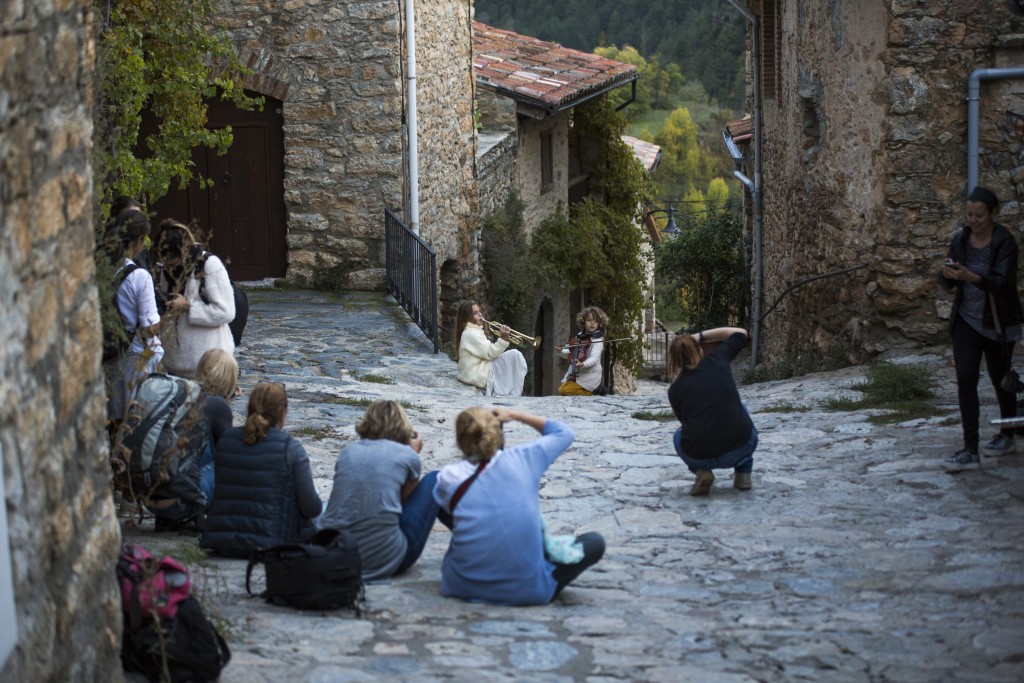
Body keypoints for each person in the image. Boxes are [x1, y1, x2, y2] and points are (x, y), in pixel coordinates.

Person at [433, 407, 605, 606]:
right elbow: (564, 433)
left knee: (440, 494)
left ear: (459, 441)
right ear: (499, 434)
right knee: (594, 541)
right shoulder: (523, 458)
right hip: (528, 591)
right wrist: (517, 415)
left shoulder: (448, 477)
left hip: (461, 585)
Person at [939, 186, 1023, 472]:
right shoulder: (961, 239)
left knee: (1001, 379)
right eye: (969, 214)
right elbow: (948, 283)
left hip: (997, 322)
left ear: (992, 214)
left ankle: (1008, 434)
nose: (974, 220)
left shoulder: (1004, 242)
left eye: (979, 215)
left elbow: (1001, 284)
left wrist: (971, 276)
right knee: (965, 379)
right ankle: (970, 448)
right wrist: (948, 274)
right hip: (966, 320)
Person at [320, 400, 443, 580]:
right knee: (435, 479)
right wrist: (413, 453)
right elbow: (403, 505)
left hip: (337, 555)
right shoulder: (407, 455)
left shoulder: (348, 451)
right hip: (387, 558)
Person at [200, 382, 322, 557]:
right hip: (273, 543)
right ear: (282, 414)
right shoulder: (291, 448)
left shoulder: (227, 439)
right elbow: (311, 508)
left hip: (222, 540)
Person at [147, 348, 239, 533]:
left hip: (150, 500)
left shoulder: (184, 394)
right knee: (232, 464)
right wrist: (226, 405)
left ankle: (174, 517)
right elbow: (232, 454)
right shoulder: (218, 404)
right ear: (229, 381)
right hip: (180, 504)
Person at [667, 327, 758, 496]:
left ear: (676, 360)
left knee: (678, 435)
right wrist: (700, 336)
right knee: (741, 409)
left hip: (699, 455)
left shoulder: (675, 389)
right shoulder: (719, 360)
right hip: (740, 447)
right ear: (700, 350)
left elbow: (685, 422)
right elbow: (741, 333)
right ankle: (743, 472)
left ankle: (702, 471)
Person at [151, 219, 235, 378]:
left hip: (207, 365)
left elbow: (226, 312)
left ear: (182, 252)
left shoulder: (209, 265)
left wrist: (188, 306)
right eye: (164, 262)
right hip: (173, 365)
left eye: (171, 262)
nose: (167, 266)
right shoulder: (167, 269)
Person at [105, 209, 163, 422]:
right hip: (134, 357)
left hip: (110, 354)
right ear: (139, 239)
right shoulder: (139, 276)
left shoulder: (105, 268)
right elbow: (149, 326)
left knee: (114, 421)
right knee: (135, 422)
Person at [455, 301, 527, 397]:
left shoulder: (474, 330)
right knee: (515, 355)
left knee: (514, 355)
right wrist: (503, 338)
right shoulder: (470, 333)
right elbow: (490, 353)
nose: (480, 314)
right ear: (467, 317)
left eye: (479, 311)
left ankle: (513, 393)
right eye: (475, 313)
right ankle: (514, 394)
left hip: (480, 369)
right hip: (478, 374)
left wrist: (502, 338)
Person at [556, 306, 608, 396]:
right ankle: (592, 390)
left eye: (595, 321)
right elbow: (571, 353)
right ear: (583, 322)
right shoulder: (580, 336)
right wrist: (561, 351)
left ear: (599, 323)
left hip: (590, 375)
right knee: (562, 389)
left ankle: (593, 391)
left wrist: (583, 364)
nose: (592, 323)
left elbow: (594, 358)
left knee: (564, 391)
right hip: (578, 375)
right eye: (589, 320)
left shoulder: (598, 340)